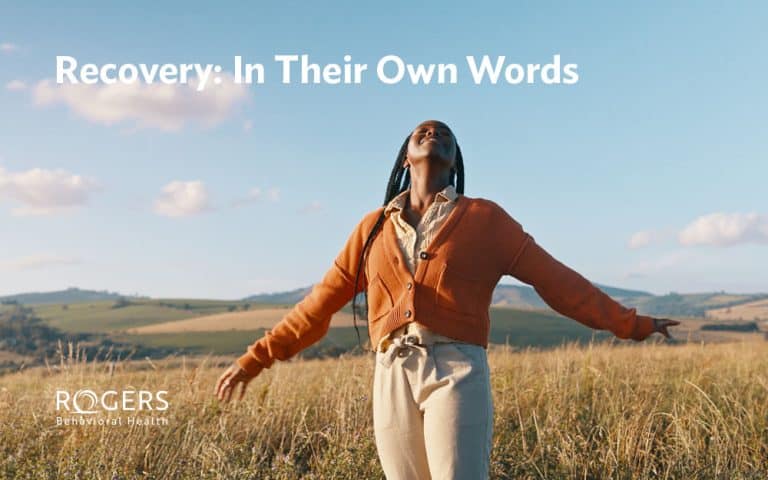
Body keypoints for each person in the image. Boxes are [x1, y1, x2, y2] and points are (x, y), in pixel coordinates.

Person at [214, 120, 680, 479]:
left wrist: (632, 324)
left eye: (445, 135)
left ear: (453, 161)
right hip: (391, 371)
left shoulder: (485, 219)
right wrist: (255, 359)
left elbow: (558, 282)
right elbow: (317, 305)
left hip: (456, 369)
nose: (433, 132)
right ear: (405, 158)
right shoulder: (372, 229)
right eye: (422, 130)